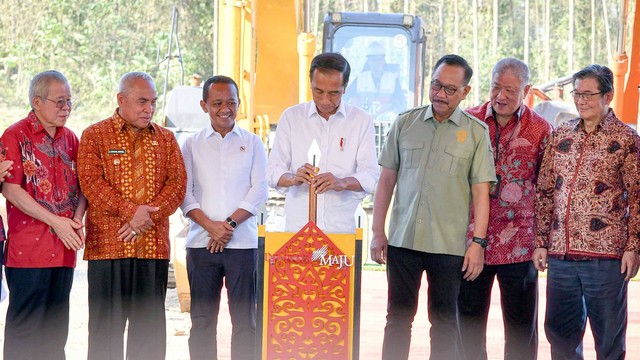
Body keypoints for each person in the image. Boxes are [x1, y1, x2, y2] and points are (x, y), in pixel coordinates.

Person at [370, 54, 497, 360]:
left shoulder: (476, 133)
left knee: (443, 320)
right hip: (403, 240)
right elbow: (386, 181)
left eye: (450, 89)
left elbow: (481, 194)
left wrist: (477, 244)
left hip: (449, 245)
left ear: (465, 92)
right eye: (436, 85)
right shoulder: (405, 123)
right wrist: (378, 231)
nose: (441, 94)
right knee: (398, 317)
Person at [533, 64, 640, 359]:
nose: (580, 101)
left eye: (588, 95)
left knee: (608, 341)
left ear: (608, 96)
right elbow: (544, 192)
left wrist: (633, 247)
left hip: (606, 259)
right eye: (576, 94)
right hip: (561, 256)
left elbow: (638, 197)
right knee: (560, 336)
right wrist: (541, 241)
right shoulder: (561, 136)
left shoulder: (627, 140)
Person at [78, 71, 187, 360]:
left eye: (153, 102)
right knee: (105, 333)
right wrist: (132, 212)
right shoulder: (95, 135)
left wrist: (145, 218)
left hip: (152, 249)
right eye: (141, 101)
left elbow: (177, 186)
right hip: (108, 248)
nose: (148, 109)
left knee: (149, 333)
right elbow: (91, 183)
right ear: (121, 100)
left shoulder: (166, 139)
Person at [458, 58, 552, 360]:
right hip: (472, 242)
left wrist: (542, 241)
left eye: (510, 90)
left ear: (526, 90)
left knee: (522, 328)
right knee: (468, 325)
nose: (500, 96)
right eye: (495, 87)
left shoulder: (541, 129)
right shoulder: (467, 121)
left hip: (520, 245)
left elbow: (547, 188)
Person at [180, 75, 268, 359]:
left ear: (239, 104)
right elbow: (184, 193)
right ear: (204, 105)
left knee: (245, 322)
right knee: (202, 321)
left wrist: (228, 226)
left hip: (242, 245)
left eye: (231, 102)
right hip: (200, 245)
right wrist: (210, 227)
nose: (225, 108)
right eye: (217, 103)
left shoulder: (253, 143)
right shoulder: (190, 144)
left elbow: (260, 189)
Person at [0, 70, 86, 360]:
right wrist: (55, 222)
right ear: (37, 102)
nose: (66, 108)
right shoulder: (15, 135)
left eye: (69, 102)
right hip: (29, 252)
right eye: (59, 102)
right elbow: (11, 189)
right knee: (24, 334)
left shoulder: (71, 139)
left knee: (55, 333)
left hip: (64, 249)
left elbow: (84, 186)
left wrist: (76, 219)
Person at [266, 52, 379, 234]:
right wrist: (294, 178)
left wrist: (342, 182)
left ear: (345, 88)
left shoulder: (361, 121)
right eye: (318, 91)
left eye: (334, 93)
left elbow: (371, 176)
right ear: (310, 83)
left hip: (340, 230)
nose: (325, 100)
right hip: (298, 230)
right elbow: (272, 172)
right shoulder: (291, 117)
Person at [345, 42, 406, 118]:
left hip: (386, 119)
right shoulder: (360, 78)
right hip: (362, 117)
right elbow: (346, 97)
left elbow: (400, 101)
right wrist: (354, 102)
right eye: (374, 60)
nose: (377, 63)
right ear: (369, 62)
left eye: (379, 60)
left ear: (383, 61)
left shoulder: (393, 79)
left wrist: (391, 107)